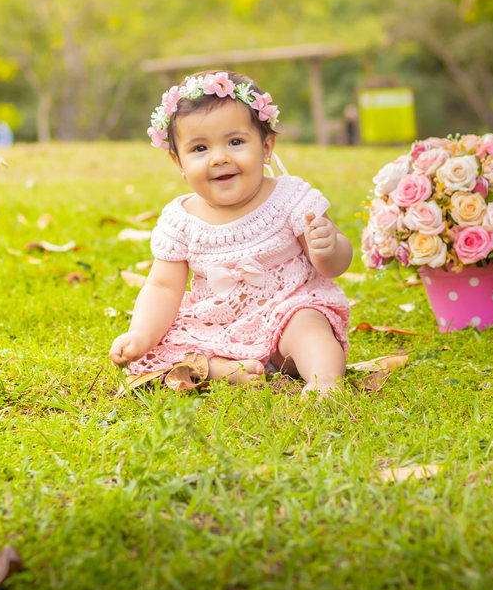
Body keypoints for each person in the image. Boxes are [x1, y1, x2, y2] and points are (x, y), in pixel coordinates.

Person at [109, 70, 353, 394]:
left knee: (309, 325)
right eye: (199, 149)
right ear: (177, 160)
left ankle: (326, 383)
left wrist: (329, 247)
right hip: (218, 326)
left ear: (266, 147)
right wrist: (140, 335)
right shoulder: (181, 220)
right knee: (164, 343)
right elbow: (163, 288)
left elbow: (334, 266)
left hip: (287, 312)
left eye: (236, 142)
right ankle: (220, 368)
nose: (219, 158)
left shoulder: (290, 198)